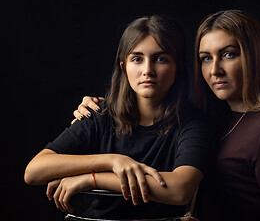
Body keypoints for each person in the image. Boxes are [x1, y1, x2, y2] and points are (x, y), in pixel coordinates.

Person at [71, 10, 260, 221]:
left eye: (229, 54)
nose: (215, 70)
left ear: (256, 56)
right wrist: (103, 105)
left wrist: (92, 179)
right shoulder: (216, 117)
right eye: (206, 58)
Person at [24, 15, 211, 220]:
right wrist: (112, 161)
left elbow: (180, 189)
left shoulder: (192, 122)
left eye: (160, 59)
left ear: (178, 67)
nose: (147, 70)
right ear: (123, 67)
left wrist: (92, 179)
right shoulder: (100, 113)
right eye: (137, 59)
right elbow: (34, 172)